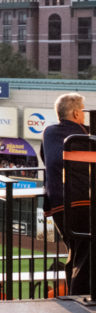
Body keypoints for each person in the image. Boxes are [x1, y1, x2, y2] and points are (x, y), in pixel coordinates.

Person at [41, 92, 91, 295]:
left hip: (58, 205)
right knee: (86, 251)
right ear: (77, 113)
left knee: (76, 249)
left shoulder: (48, 132)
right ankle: (80, 297)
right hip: (82, 201)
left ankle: (73, 294)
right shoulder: (86, 135)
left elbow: (47, 158)